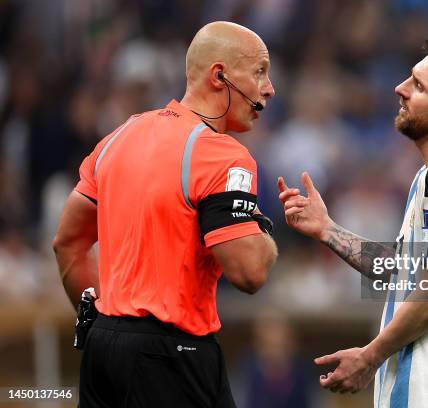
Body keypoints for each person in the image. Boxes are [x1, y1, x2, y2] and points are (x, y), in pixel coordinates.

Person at [53, 21, 278, 408]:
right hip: (173, 355)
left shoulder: (118, 137)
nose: (269, 88)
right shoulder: (222, 155)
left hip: (103, 349)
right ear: (219, 75)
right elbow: (250, 272)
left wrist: (103, 321)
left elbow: (67, 243)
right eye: (259, 71)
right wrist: (261, 227)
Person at [279, 34, 428, 407]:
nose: (399, 89)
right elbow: (411, 272)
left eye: (418, 86)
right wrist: (327, 229)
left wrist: (369, 356)